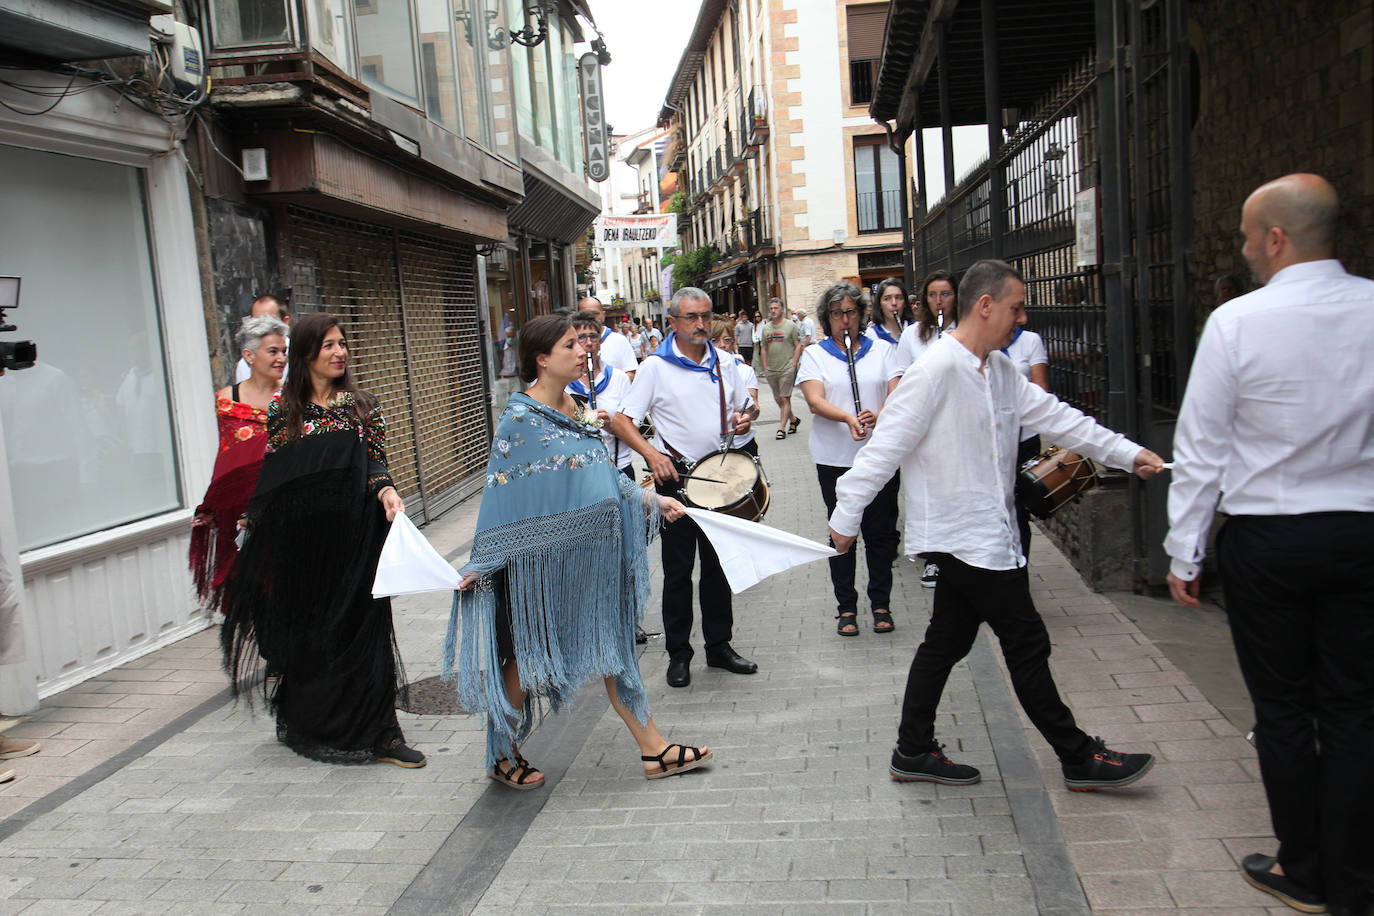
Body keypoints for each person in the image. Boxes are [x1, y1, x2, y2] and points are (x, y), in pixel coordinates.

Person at [828, 259, 1164, 791]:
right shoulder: (935, 371)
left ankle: (912, 750)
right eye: (1016, 307)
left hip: (991, 533)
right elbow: (882, 450)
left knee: (946, 642)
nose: (1022, 318)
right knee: (1026, 641)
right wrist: (845, 519)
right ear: (985, 306)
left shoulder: (1003, 371)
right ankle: (1078, 757)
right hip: (964, 539)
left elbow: (1061, 419)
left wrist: (1129, 453)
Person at [1164, 174, 1374, 916]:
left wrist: (1184, 551)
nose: (1247, 250)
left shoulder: (1236, 323)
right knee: (1355, 708)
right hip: (1361, 531)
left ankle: (1303, 868)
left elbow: (1203, 447)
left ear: (1277, 239)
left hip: (1271, 539)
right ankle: (1356, 878)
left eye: (1251, 237)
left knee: (1283, 711)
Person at [449, 314, 710, 789]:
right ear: (542, 359)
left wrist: (653, 501)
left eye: (582, 342)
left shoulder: (576, 406)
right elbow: (502, 496)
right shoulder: (520, 420)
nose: (582, 350)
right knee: (528, 657)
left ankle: (653, 748)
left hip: (597, 558)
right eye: (570, 345)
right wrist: (482, 561)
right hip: (543, 565)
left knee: (615, 649)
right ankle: (502, 752)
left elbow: (604, 477)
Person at [219, 313, 422, 768]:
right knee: (313, 635)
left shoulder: (362, 406)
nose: (339, 352)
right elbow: (276, 473)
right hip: (304, 547)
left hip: (357, 539)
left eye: (342, 344)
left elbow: (376, 464)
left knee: (365, 633)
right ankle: (312, 723)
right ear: (308, 353)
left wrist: (387, 492)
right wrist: (252, 521)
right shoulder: (283, 410)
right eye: (329, 344)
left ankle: (382, 733)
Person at [609, 288, 759, 688]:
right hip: (674, 477)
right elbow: (622, 420)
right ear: (672, 322)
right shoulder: (655, 367)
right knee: (678, 571)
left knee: (718, 566)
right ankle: (679, 654)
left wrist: (745, 418)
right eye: (692, 317)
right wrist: (651, 454)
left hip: (719, 473)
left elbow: (748, 406)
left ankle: (719, 646)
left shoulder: (724, 361)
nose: (701, 324)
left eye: (706, 316)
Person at [797, 283, 902, 637]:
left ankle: (881, 603)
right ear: (827, 318)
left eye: (851, 312)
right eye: (837, 314)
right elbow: (814, 400)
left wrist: (879, 415)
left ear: (861, 314)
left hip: (880, 456)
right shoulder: (815, 354)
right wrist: (847, 417)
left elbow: (898, 394)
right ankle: (846, 607)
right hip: (835, 458)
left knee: (880, 532)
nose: (845, 320)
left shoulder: (883, 350)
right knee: (842, 532)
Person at [190, 315, 288, 609]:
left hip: (284, 507)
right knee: (252, 594)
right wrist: (212, 503)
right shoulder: (226, 401)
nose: (281, 358)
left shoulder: (294, 398)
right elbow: (227, 455)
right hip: (240, 512)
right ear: (249, 355)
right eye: (273, 351)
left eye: (284, 351)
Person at [895, 269, 960, 588]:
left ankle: (960, 554)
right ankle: (935, 557)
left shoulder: (965, 331)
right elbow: (899, 377)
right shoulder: (912, 335)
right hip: (925, 428)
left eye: (945, 294)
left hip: (958, 426)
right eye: (932, 295)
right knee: (929, 494)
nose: (938, 301)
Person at [568, 312, 635, 477]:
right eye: (581, 338)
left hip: (617, 466)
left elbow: (635, 430)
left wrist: (610, 426)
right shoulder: (562, 381)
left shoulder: (618, 378)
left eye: (593, 336)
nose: (588, 343)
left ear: (601, 341)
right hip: (577, 471)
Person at [1003, 323, 1050, 558]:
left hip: (1025, 436)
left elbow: (1040, 389)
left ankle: (1020, 565)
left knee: (1020, 507)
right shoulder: (980, 344)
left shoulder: (1030, 340)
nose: (1021, 316)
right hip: (995, 440)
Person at [710, 318, 759, 456]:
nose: (721, 345)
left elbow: (754, 409)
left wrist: (746, 417)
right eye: (714, 340)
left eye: (727, 340)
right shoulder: (700, 371)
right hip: (711, 448)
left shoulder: (745, 370)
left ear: (733, 341)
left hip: (741, 443)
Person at [758, 298, 804, 439]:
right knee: (779, 399)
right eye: (771, 308)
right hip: (772, 369)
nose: (773, 311)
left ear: (782, 309)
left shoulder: (791, 326)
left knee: (785, 398)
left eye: (776, 308)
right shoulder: (766, 328)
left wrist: (794, 363)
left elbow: (798, 345)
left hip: (787, 368)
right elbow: (764, 348)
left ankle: (781, 428)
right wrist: (765, 367)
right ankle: (794, 420)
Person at [235, 295, 290, 383]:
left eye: (271, 320)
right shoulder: (244, 365)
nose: (264, 326)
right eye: (257, 321)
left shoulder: (302, 355)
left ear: (285, 321)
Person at [578, 297, 638, 378]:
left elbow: (631, 373)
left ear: (603, 315)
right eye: (585, 315)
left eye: (595, 314)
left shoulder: (619, 341)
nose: (590, 318)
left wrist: (610, 384)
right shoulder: (573, 343)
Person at [865, 277, 915, 347]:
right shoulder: (870, 335)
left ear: (905, 303)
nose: (894, 303)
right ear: (879, 304)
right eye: (887, 299)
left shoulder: (917, 330)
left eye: (898, 298)